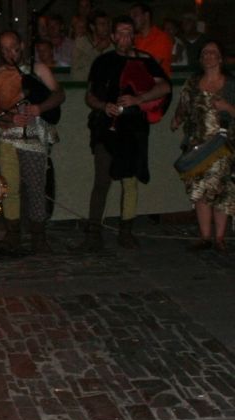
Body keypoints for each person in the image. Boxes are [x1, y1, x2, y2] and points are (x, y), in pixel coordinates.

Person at [77, 15, 171, 251]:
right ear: (112, 36)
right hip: (106, 126)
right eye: (120, 32)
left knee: (130, 181)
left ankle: (126, 231)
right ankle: (93, 233)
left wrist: (139, 98)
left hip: (133, 128)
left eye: (129, 32)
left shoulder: (146, 60)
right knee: (102, 180)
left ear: (133, 36)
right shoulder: (103, 61)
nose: (124, 37)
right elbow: (90, 96)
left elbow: (164, 86)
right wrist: (103, 106)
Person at [0, 30, 65, 255]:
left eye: (14, 48)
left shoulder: (38, 69)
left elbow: (59, 94)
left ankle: (39, 236)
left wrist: (40, 108)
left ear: (22, 45)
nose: (11, 53)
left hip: (33, 134)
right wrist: (11, 118)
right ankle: (12, 236)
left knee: (36, 186)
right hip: (7, 135)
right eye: (6, 49)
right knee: (9, 187)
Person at [171, 41, 235, 254]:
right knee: (199, 189)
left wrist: (227, 107)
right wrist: (177, 118)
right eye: (205, 52)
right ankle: (205, 236)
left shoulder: (231, 84)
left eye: (213, 52)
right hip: (197, 143)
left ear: (220, 57)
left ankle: (219, 238)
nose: (209, 56)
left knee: (222, 189)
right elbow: (183, 105)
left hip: (223, 144)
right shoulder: (192, 82)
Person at [130, 3, 173, 75]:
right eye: (131, 17)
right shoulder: (135, 38)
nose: (132, 20)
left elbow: (152, 67)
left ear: (146, 16)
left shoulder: (161, 38)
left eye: (135, 16)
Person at [71, 10, 113, 82]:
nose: (106, 27)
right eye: (102, 24)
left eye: (108, 24)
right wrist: (97, 50)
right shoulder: (81, 44)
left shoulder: (113, 44)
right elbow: (76, 75)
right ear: (92, 27)